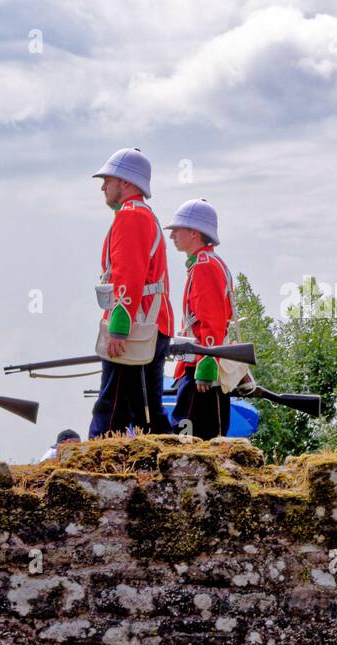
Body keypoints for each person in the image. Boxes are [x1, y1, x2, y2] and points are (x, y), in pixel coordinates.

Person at [88, 148, 174, 438]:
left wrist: (120, 326)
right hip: (146, 321)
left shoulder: (131, 216)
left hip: (135, 324)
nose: (103, 186)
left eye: (108, 180)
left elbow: (129, 274)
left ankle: (95, 467)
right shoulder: (141, 215)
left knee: (111, 409)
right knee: (143, 410)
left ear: (124, 182)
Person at [166, 199, 233, 439]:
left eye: (178, 229)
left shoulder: (205, 266)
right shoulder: (204, 264)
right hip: (198, 364)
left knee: (192, 439)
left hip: (201, 368)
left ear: (195, 233)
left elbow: (212, 320)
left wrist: (207, 364)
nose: (172, 235)